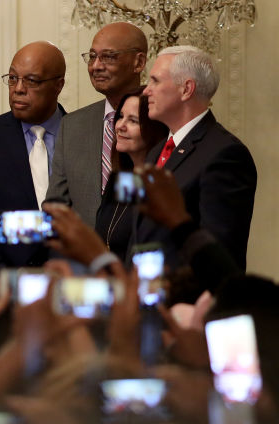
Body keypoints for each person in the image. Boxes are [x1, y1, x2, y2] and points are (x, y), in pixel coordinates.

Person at [139, 45, 256, 270]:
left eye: (155, 81)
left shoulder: (225, 154)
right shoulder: (157, 150)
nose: (146, 90)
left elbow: (219, 252)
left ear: (186, 89)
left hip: (186, 300)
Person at [0, 41, 66, 274]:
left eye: (32, 81)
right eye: (13, 78)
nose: (18, 88)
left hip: (71, 279)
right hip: (4, 280)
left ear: (58, 85)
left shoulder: (80, 133)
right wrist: (1, 279)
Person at [46, 22, 147, 227]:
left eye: (108, 57)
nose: (96, 66)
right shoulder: (72, 125)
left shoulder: (160, 121)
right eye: (92, 56)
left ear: (139, 62)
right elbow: (56, 208)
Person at [94, 87, 167, 258]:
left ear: (154, 128)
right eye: (120, 117)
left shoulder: (160, 185)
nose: (120, 126)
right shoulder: (119, 179)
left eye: (133, 121)